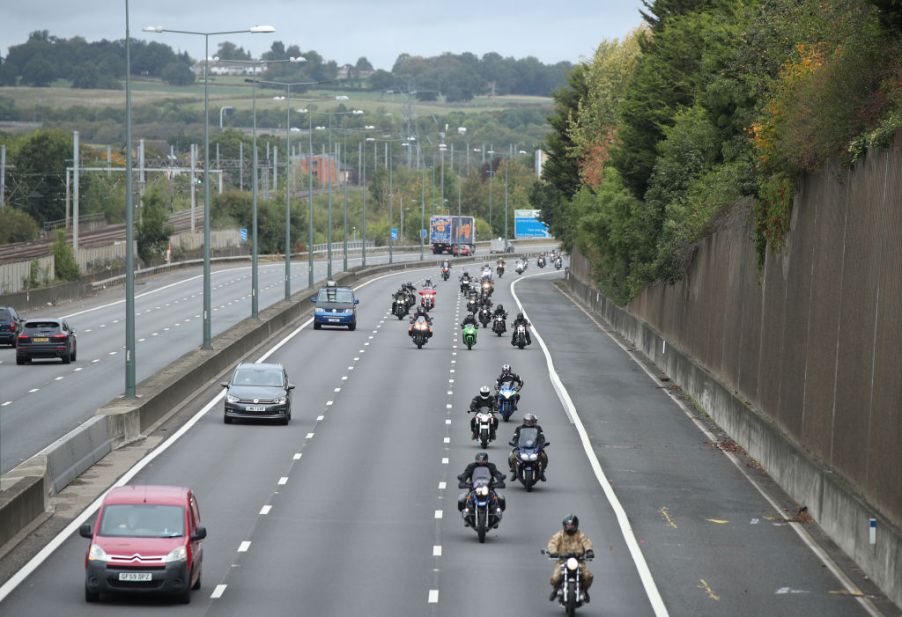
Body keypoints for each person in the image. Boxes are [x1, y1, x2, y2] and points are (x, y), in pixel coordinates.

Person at [547, 515, 594, 602]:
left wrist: (589, 551)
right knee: (555, 578)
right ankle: (556, 589)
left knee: (588, 576)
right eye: (568, 526)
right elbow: (552, 543)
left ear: (576, 525)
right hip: (562, 561)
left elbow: (586, 542)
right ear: (564, 526)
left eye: (572, 526)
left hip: (578, 561)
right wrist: (553, 552)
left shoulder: (580, 535)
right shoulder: (560, 535)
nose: (570, 527)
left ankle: (584, 591)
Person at [508, 413, 547, 481]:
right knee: (512, 456)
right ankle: (514, 471)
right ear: (524, 421)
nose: (529, 423)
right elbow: (515, 437)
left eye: (531, 421)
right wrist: (516, 444)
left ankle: (542, 472)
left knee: (544, 456)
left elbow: (541, 437)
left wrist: (541, 444)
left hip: (535, 447)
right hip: (522, 446)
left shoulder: (538, 428)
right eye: (527, 421)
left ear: (533, 421)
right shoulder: (519, 428)